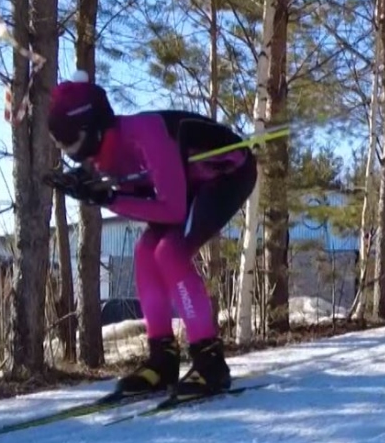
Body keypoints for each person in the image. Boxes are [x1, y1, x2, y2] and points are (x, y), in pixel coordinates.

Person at [46, 71, 258, 400]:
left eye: (71, 143)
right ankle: (162, 359)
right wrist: (96, 190)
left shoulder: (146, 135)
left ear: (92, 129)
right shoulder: (103, 155)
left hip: (230, 172)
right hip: (192, 183)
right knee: (145, 251)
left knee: (170, 251)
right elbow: (144, 203)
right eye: (63, 146)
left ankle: (210, 361)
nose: (72, 153)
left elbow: (171, 209)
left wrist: (109, 198)